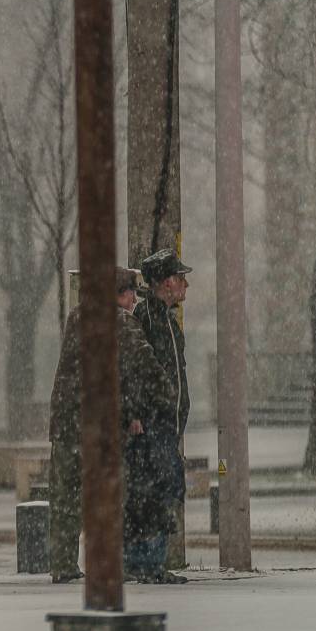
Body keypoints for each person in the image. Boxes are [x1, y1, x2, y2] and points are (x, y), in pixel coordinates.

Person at [47, 267, 174, 584]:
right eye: (132, 293)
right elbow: (141, 363)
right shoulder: (120, 321)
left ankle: (62, 563)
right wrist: (165, 395)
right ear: (121, 293)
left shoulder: (78, 317)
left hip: (67, 423)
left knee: (66, 496)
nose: (134, 300)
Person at [127, 247, 193, 583]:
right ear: (166, 282)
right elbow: (137, 369)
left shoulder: (165, 319)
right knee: (154, 491)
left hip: (165, 423)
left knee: (163, 488)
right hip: (153, 423)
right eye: (180, 278)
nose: (185, 285)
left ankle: (150, 562)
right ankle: (146, 563)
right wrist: (138, 411)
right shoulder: (148, 319)